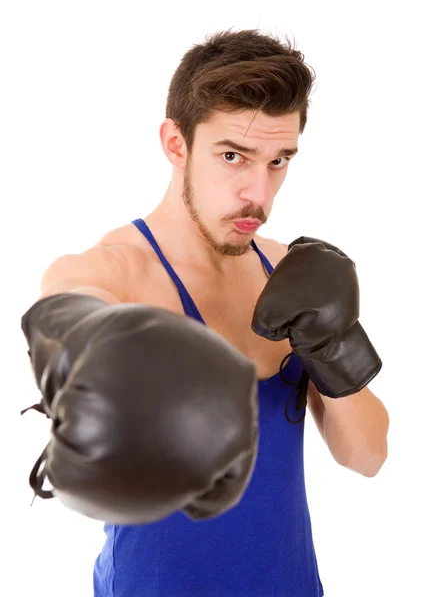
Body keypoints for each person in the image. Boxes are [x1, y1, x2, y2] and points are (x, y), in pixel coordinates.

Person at [21, 29, 390, 597]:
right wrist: (86, 340)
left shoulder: (290, 274)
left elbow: (366, 456)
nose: (258, 194)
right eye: (233, 156)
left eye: (279, 161)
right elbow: (64, 297)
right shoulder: (121, 269)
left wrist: (334, 342)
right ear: (175, 143)